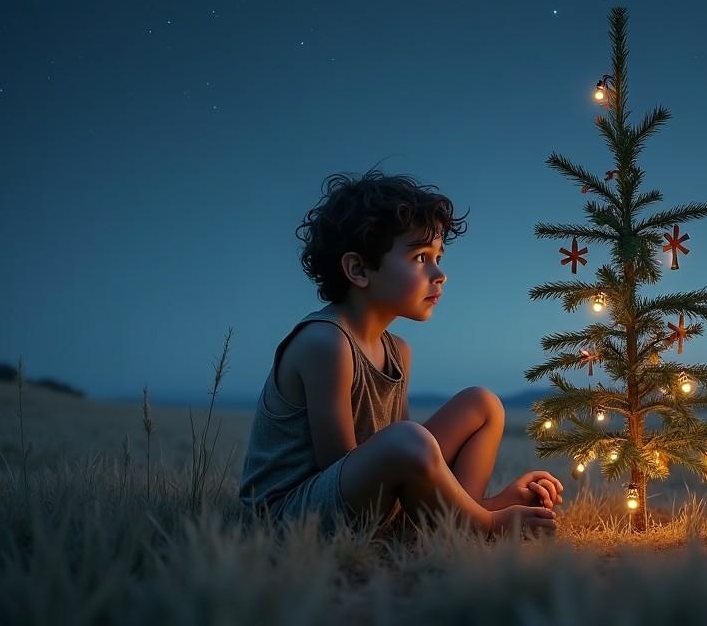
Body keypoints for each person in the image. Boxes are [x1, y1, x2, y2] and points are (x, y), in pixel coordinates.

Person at [239, 169, 562, 538]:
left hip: (360, 494)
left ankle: (459, 519)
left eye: (439, 256)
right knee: (409, 439)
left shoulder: (398, 351)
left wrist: (498, 498)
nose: (440, 273)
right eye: (421, 257)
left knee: (483, 404)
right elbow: (341, 468)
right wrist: (492, 515)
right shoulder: (326, 343)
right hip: (293, 514)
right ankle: (483, 526)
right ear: (359, 270)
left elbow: (402, 460)